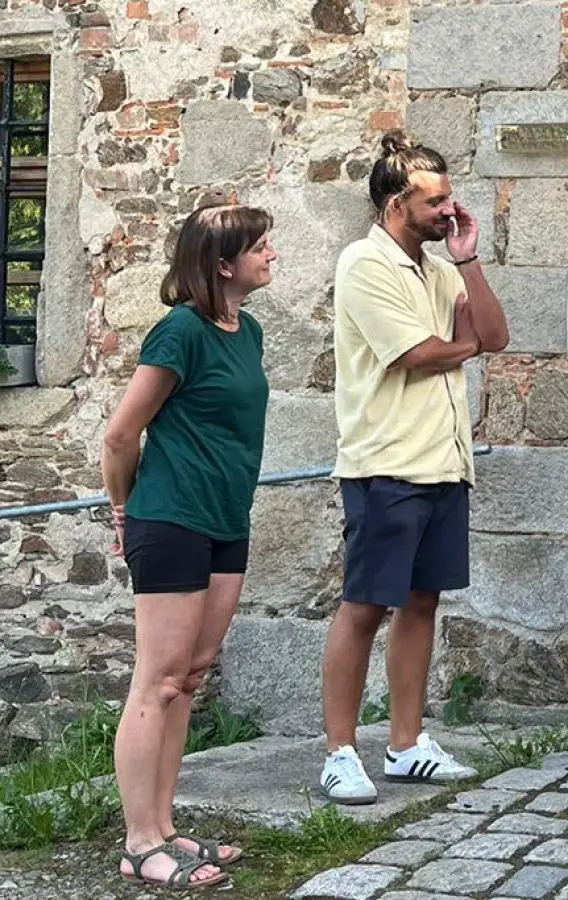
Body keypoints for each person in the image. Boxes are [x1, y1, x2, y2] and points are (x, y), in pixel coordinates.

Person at [317, 132, 509, 805]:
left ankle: (406, 745)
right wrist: (464, 343)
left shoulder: (439, 269)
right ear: (397, 204)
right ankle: (340, 752)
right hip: (384, 465)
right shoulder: (363, 265)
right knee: (364, 605)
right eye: (437, 203)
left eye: (450, 200)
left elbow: (496, 334)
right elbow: (417, 353)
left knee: (421, 603)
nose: (448, 211)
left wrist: (470, 258)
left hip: (442, 464)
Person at [104, 202, 277, 888]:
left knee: (191, 676)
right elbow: (120, 435)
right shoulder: (179, 332)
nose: (272, 254)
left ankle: (167, 828)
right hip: (171, 517)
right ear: (222, 264)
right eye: (260, 246)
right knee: (159, 677)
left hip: (225, 520)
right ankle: (139, 841)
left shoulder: (248, 331)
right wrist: (122, 510)